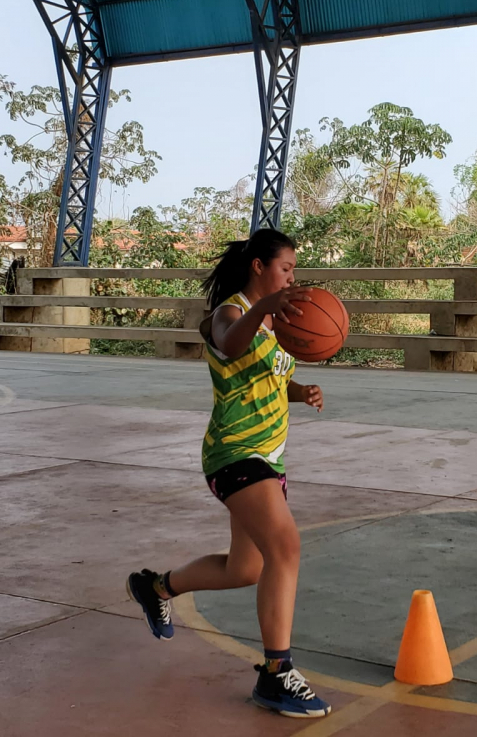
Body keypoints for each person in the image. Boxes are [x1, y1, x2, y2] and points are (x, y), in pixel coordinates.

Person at [126, 228, 332, 718]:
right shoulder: (231, 313)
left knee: (248, 568)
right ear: (259, 266)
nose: (291, 278)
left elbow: (267, 375)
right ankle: (276, 674)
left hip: (268, 457)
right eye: (286, 269)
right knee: (286, 547)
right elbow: (230, 345)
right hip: (235, 454)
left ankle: (156, 587)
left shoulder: (271, 324)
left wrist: (300, 390)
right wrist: (265, 309)